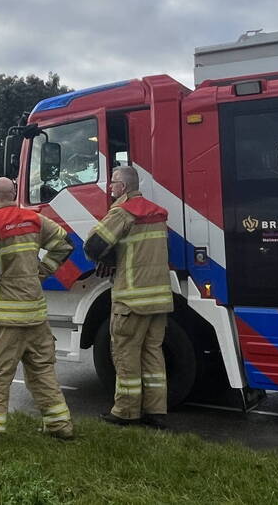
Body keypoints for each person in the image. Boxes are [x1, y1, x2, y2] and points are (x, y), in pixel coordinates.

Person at [0, 177, 75, 441]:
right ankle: (61, 426)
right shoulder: (35, 220)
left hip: (4, 319)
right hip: (35, 315)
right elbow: (65, 244)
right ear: (14, 193)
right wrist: (44, 270)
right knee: (43, 373)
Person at [84, 165, 173, 430]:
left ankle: (126, 411)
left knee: (125, 353)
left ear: (123, 187)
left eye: (112, 183)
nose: (110, 188)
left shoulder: (123, 212)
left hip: (131, 299)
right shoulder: (157, 214)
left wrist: (109, 260)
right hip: (159, 298)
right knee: (152, 354)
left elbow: (94, 245)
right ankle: (156, 411)